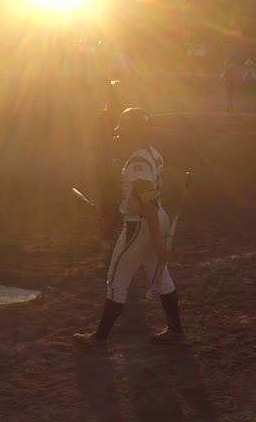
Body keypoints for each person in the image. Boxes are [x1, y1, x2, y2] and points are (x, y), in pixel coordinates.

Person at [75, 107, 185, 347]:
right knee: (161, 277)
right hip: (152, 220)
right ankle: (176, 329)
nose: (121, 136)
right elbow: (140, 199)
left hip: (144, 224)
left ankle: (99, 337)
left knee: (117, 278)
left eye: (125, 132)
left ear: (135, 133)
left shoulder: (137, 162)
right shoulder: (152, 153)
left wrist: (155, 240)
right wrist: (121, 217)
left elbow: (146, 204)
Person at [92, 80, 125, 250]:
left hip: (120, 167)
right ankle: (107, 236)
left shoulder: (125, 116)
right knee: (109, 202)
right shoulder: (103, 118)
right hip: (108, 168)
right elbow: (97, 145)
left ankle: (116, 235)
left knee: (121, 202)